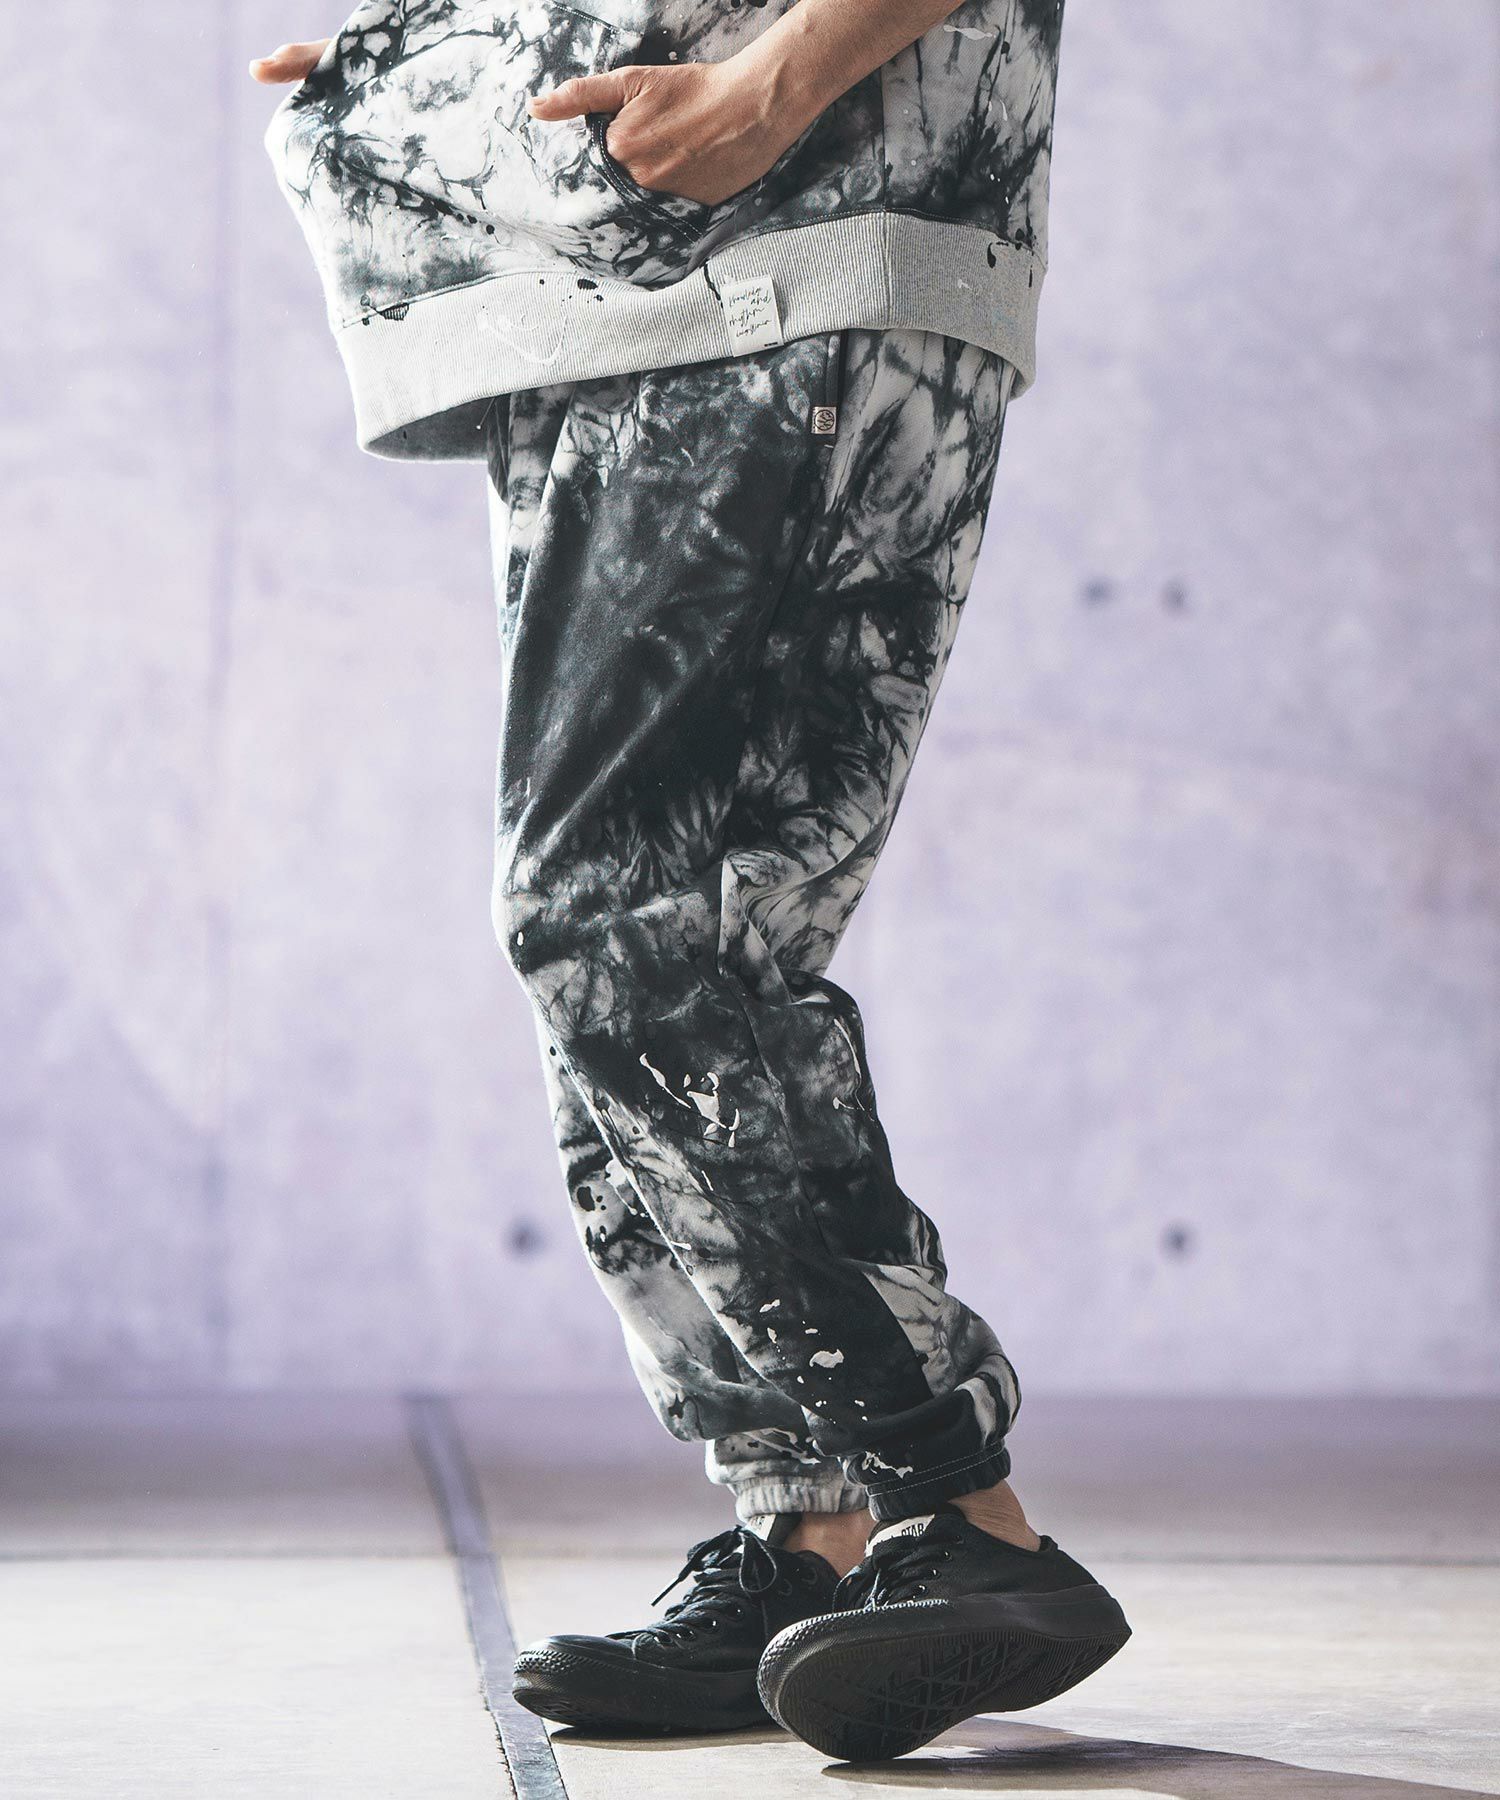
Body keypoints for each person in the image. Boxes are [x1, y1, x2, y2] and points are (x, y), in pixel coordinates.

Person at [253, 0, 1129, 1762]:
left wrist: (769, 83)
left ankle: (953, 1501)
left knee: (608, 920)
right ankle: (812, 1528)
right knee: (686, 940)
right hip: (648, 289)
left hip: (779, 248)